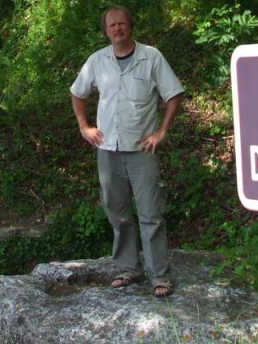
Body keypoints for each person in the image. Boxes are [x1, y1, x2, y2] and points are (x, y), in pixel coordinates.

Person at [70, 5, 184, 297]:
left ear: (129, 26)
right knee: (117, 212)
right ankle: (127, 268)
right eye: (112, 26)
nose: (117, 29)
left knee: (151, 213)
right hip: (107, 148)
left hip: (140, 149)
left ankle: (159, 275)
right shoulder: (97, 61)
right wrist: (85, 128)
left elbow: (173, 94)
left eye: (121, 24)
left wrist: (161, 132)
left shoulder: (151, 57)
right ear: (106, 31)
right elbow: (77, 93)